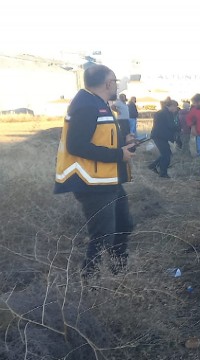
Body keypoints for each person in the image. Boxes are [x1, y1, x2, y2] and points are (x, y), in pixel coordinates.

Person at [54, 64, 136, 275]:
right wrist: (119, 155)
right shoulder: (86, 105)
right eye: (115, 81)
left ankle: (118, 271)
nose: (116, 85)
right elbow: (77, 145)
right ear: (108, 83)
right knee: (102, 237)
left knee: (124, 225)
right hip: (93, 183)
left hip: (107, 180)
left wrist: (122, 142)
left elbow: (99, 137)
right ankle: (91, 283)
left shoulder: (97, 103)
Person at [148, 100, 180, 178]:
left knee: (166, 153)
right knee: (166, 155)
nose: (176, 108)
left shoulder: (161, 112)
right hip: (160, 136)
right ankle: (163, 173)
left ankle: (153, 166)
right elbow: (170, 125)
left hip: (158, 136)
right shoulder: (167, 113)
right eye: (175, 107)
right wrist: (179, 128)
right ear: (172, 106)